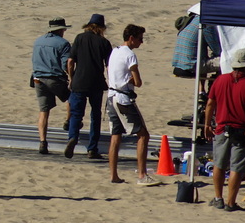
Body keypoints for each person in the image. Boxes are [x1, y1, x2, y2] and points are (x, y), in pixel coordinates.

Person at [205, 49, 245, 212]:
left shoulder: (220, 80)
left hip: (222, 128)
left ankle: (218, 198)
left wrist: (206, 124)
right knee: (236, 168)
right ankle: (231, 203)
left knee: (219, 164)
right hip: (242, 131)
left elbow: (210, 104)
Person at [105, 25, 159, 186]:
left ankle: (114, 175)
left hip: (111, 97)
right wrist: (130, 80)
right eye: (140, 39)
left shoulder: (115, 51)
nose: (141, 42)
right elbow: (138, 82)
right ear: (131, 38)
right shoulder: (130, 55)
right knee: (143, 135)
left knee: (115, 136)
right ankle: (142, 175)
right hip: (123, 99)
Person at [65, 13, 112, 161]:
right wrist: (111, 82)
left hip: (79, 81)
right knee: (95, 115)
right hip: (97, 82)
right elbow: (109, 65)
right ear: (102, 28)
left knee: (76, 114)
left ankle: (72, 137)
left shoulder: (79, 38)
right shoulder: (104, 42)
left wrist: (71, 78)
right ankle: (92, 149)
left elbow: (70, 61)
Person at [31, 17, 71, 155]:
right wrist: (71, 77)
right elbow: (66, 64)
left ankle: (43, 141)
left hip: (38, 78)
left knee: (44, 111)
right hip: (54, 78)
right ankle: (68, 121)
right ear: (60, 30)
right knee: (71, 98)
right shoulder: (63, 43)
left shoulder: (38, 41)